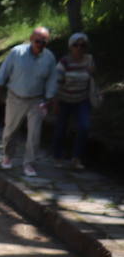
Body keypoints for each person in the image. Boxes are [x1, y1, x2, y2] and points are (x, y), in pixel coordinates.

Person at [0, 26, 57, 178]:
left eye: (43, 41)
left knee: (34, 134)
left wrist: (49, 101)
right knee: (10, 130)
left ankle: (29, 163)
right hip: (15, 97)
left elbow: (52, 81)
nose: (40, 44)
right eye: (37, 40)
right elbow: (2, 75)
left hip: (37, 100)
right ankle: (8, 156)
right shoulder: (17, 53)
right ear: (32, 39)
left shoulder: (49, 58)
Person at [51, 32, 96, 169]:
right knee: (61, 128)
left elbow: (92, 77)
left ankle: (76, 158)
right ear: (71, 46)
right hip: (64, 99)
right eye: (76, 45)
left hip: (82, 99)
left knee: (84, 126)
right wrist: (55, 102)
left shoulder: (89, 60)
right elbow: (56, 83)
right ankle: (57, 156)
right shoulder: (64, 62)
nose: (79, 48)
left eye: (82, 45)